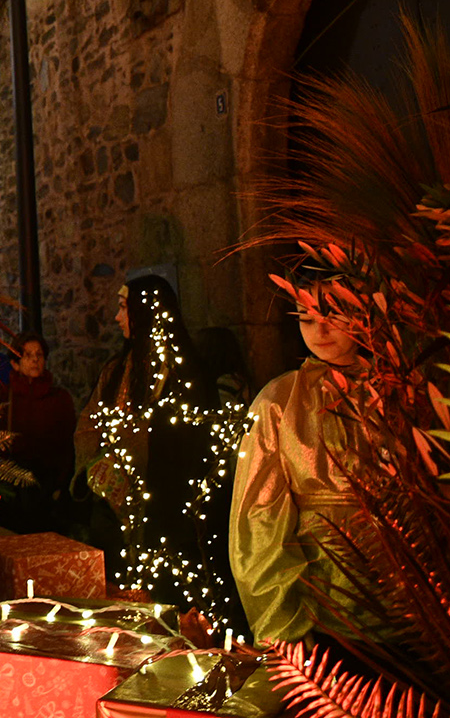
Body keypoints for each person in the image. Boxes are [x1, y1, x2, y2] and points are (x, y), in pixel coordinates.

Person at [73, 275, 241, 623]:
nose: (118, 318)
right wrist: (95, 468)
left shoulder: (185, 375)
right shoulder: (116, 371)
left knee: (170, 609)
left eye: (123, 308)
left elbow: (195, 446)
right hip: (112, 512)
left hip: (167, 520)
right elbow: (90, 424)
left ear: (145, 311)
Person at [230, 277, 371, 644]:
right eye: (306, 318)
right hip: (322, 613)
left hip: (414, 614)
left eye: (332, 315)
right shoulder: (277, 401)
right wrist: (286, 627)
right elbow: (259, 519)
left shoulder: (402, 392)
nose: (319, 330)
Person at [0, 333, 76, 535]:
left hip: (46, 488)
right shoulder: (2, 397)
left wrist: (60, 485)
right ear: (15, 363)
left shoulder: (59, 399)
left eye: (39, 354)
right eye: (28, 355)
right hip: (11, 487)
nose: (35, 360)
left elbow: (67, 444)